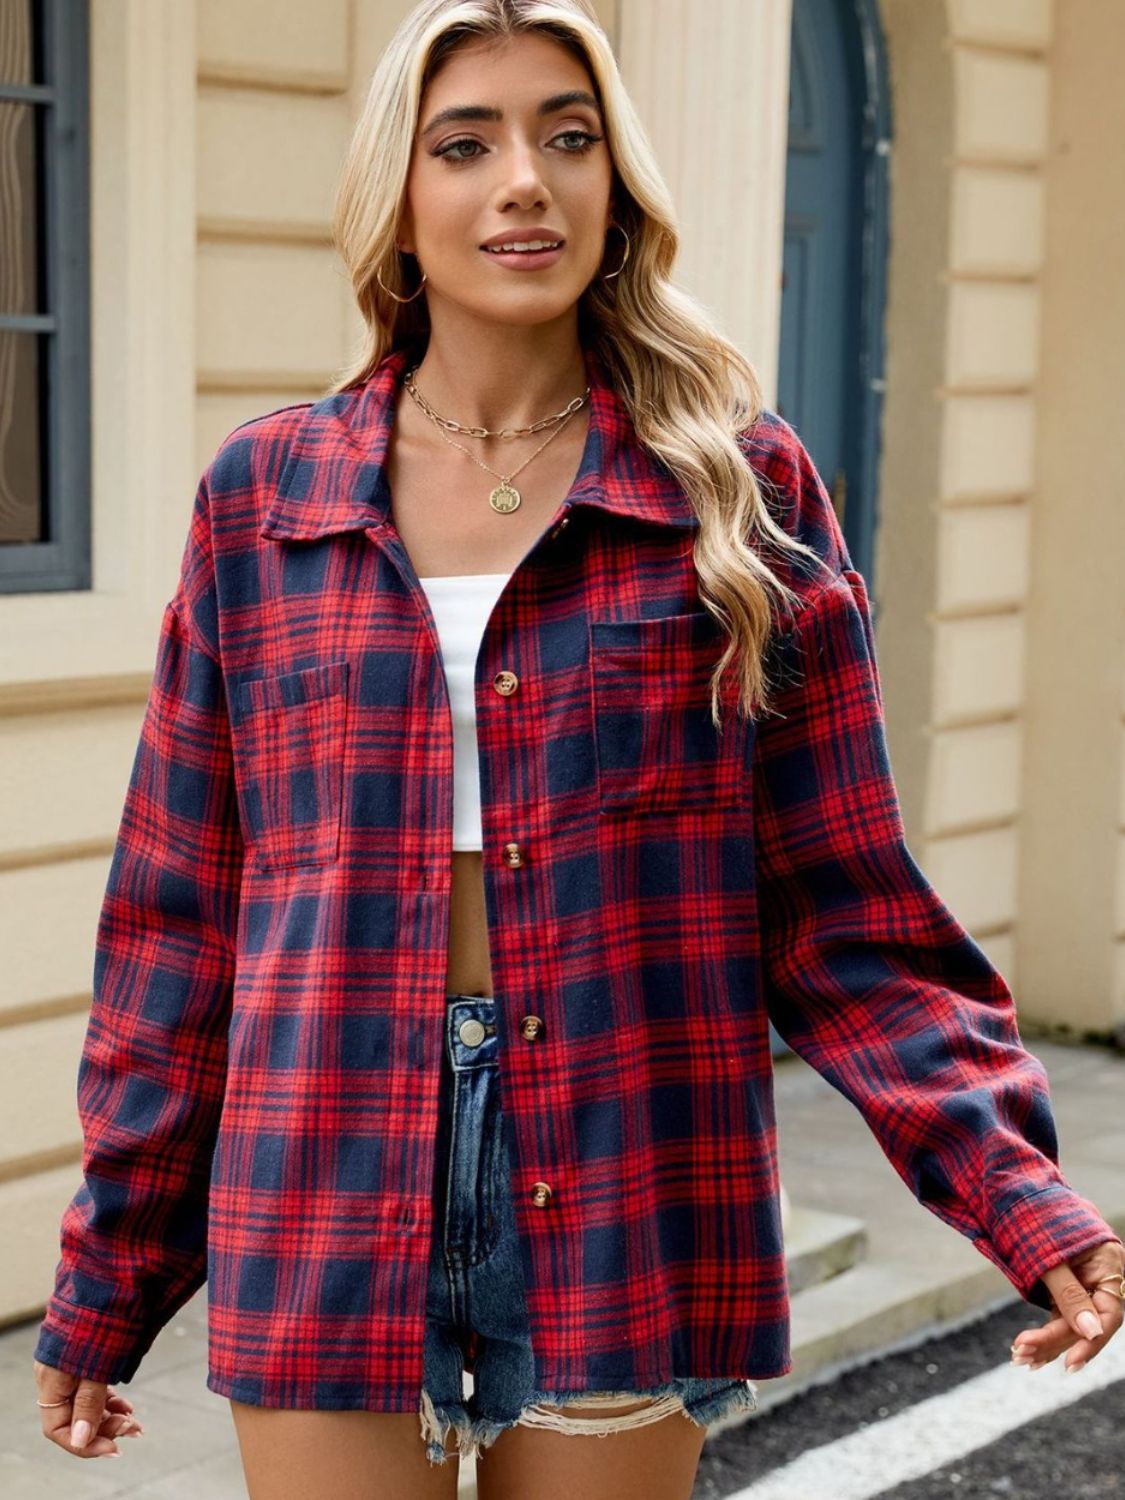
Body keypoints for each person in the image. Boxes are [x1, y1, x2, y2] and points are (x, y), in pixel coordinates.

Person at [31, 2, 1124, 1497]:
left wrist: (1017, 1193)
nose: (523, 181)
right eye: (464, 143)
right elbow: (179, 928)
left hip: (625, 1156)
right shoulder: (263, 499)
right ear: (399, 200)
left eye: (568, 135)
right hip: (321, 1161)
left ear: (616, 192)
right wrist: (111, 1271)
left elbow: (844, 909)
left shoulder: (734, 490)